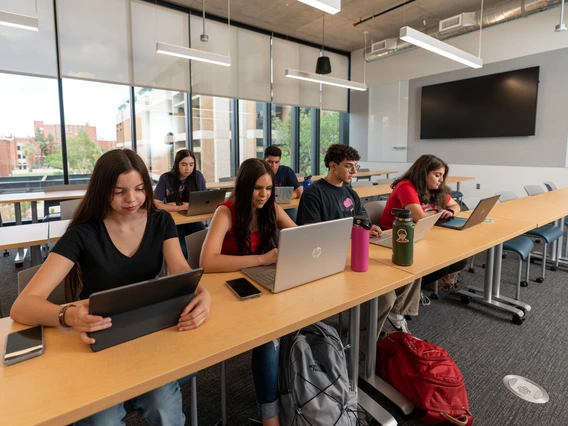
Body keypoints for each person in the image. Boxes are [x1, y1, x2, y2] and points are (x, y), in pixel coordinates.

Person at [11, 149, 211, 426]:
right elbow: (22, 306)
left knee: (164, 406)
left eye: (140, 189)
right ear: (102, 191)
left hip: (146, 332)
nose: (132, 199)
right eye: (119, 192)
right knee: (102, 420)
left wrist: (204, 295)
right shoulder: (84, 232)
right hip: (98, 336)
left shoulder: (160, 220)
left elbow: (179, 268)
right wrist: (68, 316)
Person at [200, 158, 296, 426]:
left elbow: (298, 237)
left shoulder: (270, 208)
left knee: (296, 322)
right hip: (229, 292)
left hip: (261, 285)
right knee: (269, 337)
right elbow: (206, 262)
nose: (264, 195)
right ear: (243, 187)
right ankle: (271, 418)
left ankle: (298, 395)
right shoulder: (226, 212)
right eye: (257, 188)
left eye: (268, 189)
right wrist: (262, 260)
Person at [378, 154, 466, 334]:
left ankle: (412, 292)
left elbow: (457, 205)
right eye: (437, 175)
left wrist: (448, 210)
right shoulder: (406, 186)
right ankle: (400, 303)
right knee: (435, 265)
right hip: (395, 237)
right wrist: (437, 210)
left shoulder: (436, 189)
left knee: (458, 260)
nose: (441, 180)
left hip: (422, 234)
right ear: (423, 173)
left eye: (442, 176)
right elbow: (418, 217)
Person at [296, 144, 381, 238]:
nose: (354, 171)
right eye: (348, 166)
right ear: (333, 166)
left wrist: (366, 229)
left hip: (350, 245)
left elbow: (358, 225)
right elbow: (312, 232)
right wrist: (353, 234)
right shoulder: (313, 193)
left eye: (355, 166)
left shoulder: (352, 194)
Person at [154, 149, 207, 257]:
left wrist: (172, 205)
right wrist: (181, 207)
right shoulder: (165, 178)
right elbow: (156, 204)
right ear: (177, 164)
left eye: (191, 164)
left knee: (203, 246)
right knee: (181, 250)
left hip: (192, 219)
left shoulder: (198, 176)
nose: (188, 168)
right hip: (174, 221)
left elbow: (204, 201)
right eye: (184, 164)